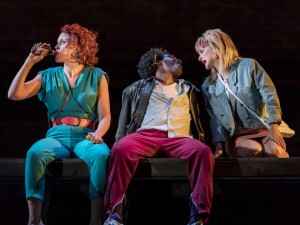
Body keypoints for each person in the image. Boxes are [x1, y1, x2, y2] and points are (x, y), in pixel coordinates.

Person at [8, 23, 111, 225]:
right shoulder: (48, 75)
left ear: (78, 48)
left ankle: (97, 219)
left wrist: (99, 133)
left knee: (101, 154)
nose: (56, 47)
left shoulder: (97, 75)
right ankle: (34, 219)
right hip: (57, 137)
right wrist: (30, 62)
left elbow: (105, 115)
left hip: (86, 136)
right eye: (57, 43)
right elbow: (14, 94)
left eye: (62, 43)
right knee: (35, 153)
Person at [103, 48, 214, 225]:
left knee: (203, 151)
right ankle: (114, 213)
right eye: (173, 57)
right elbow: (123, 123)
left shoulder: (189, 89)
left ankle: (199, 215)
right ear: (156, 62)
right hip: (146, 135)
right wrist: (118, 143)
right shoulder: (137, 88)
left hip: (179, 137)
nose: (179, 60)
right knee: (121, 148)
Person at [195, 28, 289, 158]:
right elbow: (215, 119)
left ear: (216, 47)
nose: (199, 57)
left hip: (265, 127)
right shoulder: (209, 86)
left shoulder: (249, 66)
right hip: (238, 134)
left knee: (275, 151)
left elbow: (270, 96)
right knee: (252, 150)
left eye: (202, 51)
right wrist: (219, 145)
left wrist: (274, 126)